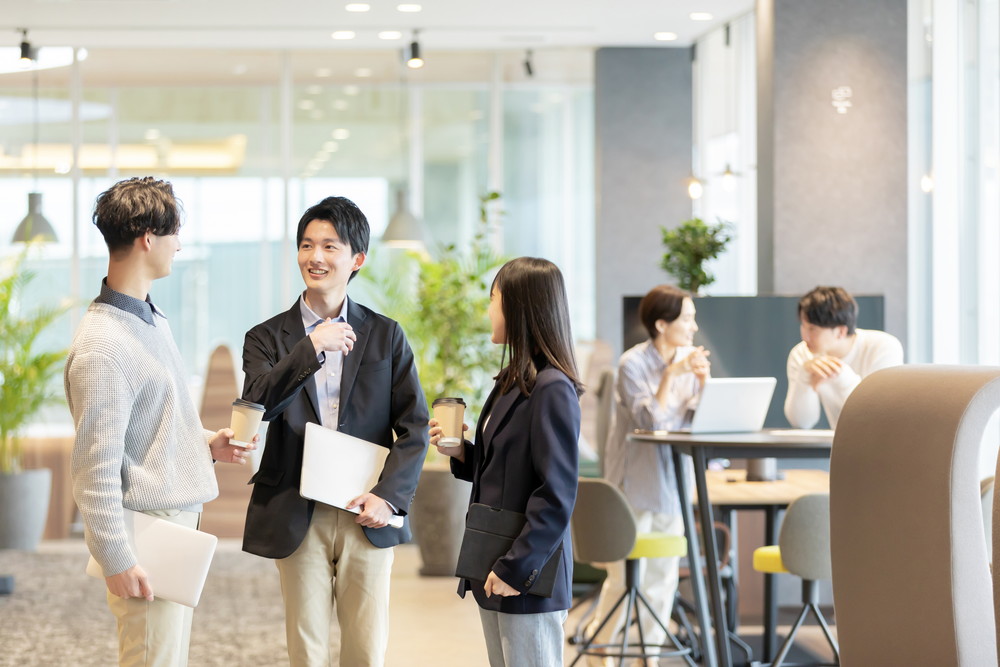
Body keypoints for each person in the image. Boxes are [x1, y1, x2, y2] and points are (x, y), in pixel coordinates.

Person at [66, 176, 254, 667]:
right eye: (174, 233)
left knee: (167, 655)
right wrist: (116, 557)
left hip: (175, 522)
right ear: (148, 236)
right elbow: (94, 467)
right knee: (153, 657)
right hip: (147, 532)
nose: (179, 245)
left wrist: (204, 443)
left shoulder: (149, 318)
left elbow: (149, 423)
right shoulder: (104, 345)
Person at [240, 196, 428, 667]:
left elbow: (415, 425)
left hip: (366, 508)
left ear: (357, 259)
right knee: (307, 650)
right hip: (296, 509)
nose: (315, 257)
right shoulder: (266, 338)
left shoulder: (386, 335)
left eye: (329, 246)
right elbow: (259, 403)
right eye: (306, 245)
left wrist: (388, 496)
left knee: (366, 649)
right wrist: (311, 348)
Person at [429, 256, 583, 667]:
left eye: (493, 299)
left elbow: (557, 494)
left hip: (526, 573)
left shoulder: (552, 389)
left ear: (518, 307)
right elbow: (507, 468)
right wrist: (461, 451)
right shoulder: (512, 380)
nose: (488, 310)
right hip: (495, 562)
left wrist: (517, 568)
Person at [591, 284, 710, 655]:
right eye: (687, 319)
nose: (693, 327)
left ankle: (649, 655)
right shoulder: (632, 364)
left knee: (664, 578)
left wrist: (704, 384)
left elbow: (699, 420)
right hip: (634, 485)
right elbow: (650, 420)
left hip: (673, 484)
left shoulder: (691, 361)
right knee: (625, 576)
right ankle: (603, 650)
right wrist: (671, 375)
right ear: (662, 324)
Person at [784, 286, 904, 429]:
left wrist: (842, 377)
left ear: (840, 331)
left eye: (812, 329)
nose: (805, 336)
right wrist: (804, 379)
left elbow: (879, 415)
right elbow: (802, 422)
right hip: (837, 446)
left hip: (882, 443)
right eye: (803, 326)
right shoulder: (801, 354)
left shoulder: (883, 347)